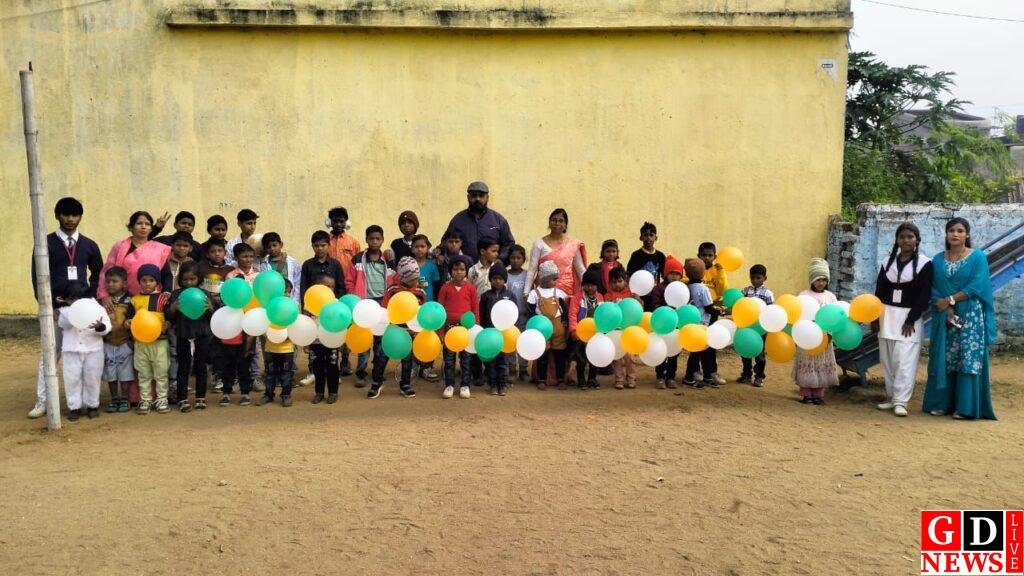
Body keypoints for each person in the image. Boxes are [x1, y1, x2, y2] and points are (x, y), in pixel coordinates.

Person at [28, 197, 104, 419]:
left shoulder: (89, 245)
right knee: (50, 355)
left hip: (83, 310)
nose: (70, 219)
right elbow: (38, 277)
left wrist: (90, 300)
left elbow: (99, 273)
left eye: (75, 215)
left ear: (80, 217)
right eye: (66, 214)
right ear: (57, 215)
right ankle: (43, 401)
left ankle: (89, 401)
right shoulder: (45, 243)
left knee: (86, 355)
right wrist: (48, 305)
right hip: (56, 309)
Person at [922, 218, 997, 420]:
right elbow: (934, 287)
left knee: (967, 358)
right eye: (951, 230)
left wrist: (951, 299)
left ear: (967, 235)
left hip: (971, 314)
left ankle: (965, 407)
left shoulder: (977, 257)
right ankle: (941, 403)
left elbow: (978, 285)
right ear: (946, 234)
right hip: (946, 316)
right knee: (945, 356)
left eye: (960, 231)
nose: (955, 234)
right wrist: (946, 308)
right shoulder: (937, 260)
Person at [873, 223, 933, 417]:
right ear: (897, 240)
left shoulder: (925, 264)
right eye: (902, 237)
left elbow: (924, 295)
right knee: (888, 358)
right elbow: (879, 292)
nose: (906, 240)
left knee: (904, 360)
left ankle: (901, 401)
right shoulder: (887, 263)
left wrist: (911, 318)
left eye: (910, 236)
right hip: (887, 315)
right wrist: (875, 317)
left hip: (909, 318)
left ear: (917, 240)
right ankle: (891, 397)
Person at [369, 258, 427, 399]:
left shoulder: (420, 293)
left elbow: (423, 314)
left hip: (409, 332)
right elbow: (384, 310)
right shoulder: (392, 290)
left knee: (407, 359)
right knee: (381, 357)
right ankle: (376, 383)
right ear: (402, 277)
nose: (415, 281)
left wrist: (417, 330)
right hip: (391, 330)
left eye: (416, 278)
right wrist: (389, 327)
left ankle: (405, 384)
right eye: (412, 278)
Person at [348, 225, 395, 386]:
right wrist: (355, 298)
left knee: (380, 339)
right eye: (371, 238)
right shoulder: (357, 259)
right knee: (363, 338)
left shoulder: (388, 260)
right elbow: (349, 280)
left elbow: (394, 281)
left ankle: (377, 372)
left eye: (378, 238)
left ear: (382, 240)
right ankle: (361, 372)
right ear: (366, 240)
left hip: (383, 303)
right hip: (364, 304)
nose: (375, 241)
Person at [58, 281, 110, 421]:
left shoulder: (97, 308)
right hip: (72, 350)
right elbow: (63, 323)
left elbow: (106, 327)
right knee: (72, 378)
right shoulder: (64, 312)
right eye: (71, 299)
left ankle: (92, 405)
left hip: (93, 350)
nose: (74, 302)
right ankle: (74, 407)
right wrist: (72, 311)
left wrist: (100, 327)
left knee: (92, 378)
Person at [166, 261, 214, 412]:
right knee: (183, 368)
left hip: (203, 336)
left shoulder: (205, 294)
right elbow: (168, 317)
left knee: (201, 367)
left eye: (192, 279)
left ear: (198, 279)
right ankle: (182, 398)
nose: (188, 282)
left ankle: (200, 397)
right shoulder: (175, 295)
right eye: (185, 279)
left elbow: (213, 317)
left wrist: (210, 308)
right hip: (183, 335)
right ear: (180, 279)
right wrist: (173, 309)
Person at [98, 211, 173, 306]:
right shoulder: (119, 247)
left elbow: (166, 274)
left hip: (150, 300)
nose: (143, 227)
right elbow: (106, 273)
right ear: (131, 227)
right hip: (121, 299)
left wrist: (166, 293)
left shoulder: (159, 249)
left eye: (147, 224)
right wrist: (104, 295)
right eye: (139, 223)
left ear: (151, 228)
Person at [792, 258, 839, 405]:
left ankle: (818, 394)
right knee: (807, 363)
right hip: (807, 338)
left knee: (821, 365)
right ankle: (807, 394)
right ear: (812, 280)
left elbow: (835, 316)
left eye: (824, 280)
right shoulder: (803, 296)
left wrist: (831, 333)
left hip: (825, 339)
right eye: (818, 279)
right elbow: (798, 315)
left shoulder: (830, 297)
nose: (821, 283)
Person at [128, 264, 172, 414]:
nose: (147, 283)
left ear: (157, 282)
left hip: (160, 342)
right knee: (143, 373)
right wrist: (128, 322)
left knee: (161, 372)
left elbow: (170, 317)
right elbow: (129, 319)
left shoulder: (163, 298)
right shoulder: (134, 300)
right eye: (144, 280)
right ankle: (145, 400)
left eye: (151, 280)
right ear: (139, 282)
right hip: (141, 343)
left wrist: (167, 323)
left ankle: (162, 399)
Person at [441, 181, 516, 264]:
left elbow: (509, 243)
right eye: (474, 195)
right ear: (468, 197)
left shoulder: (498, 220)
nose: (477, 199)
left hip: (491, 271)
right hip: (463, 271)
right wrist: (440, 251)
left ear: (487, 197)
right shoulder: (458, 220)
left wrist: (501, 259)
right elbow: (445, 241)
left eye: (481, 196)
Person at [438, 255, 479, 399]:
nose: (458, 272)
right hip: (449, 328)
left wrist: (475, 329)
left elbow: (475, 310)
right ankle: (449, 385)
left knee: (466, 359)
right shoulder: (445, 288)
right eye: (455, 269)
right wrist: (441, 331)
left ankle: (464, 385)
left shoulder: (471, 289)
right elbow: (440, 311)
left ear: (466, 271)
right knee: (449, 359)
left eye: (462, 269)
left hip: (466, 330)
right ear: (450, 271)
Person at [524, 208, 587, 299]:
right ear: (549, 223)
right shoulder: (539, 243)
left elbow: (580, 270)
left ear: (565, 225)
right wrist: (526, 293)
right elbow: (532, 270)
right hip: (544, 293)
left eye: (561, 221)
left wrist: (589, 290)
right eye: (554, 220)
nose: (557, 223)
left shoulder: (572, 245)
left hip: (566, 293)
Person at [527, 261, 569, 390]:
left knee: (559, 355)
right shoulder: (534, 294)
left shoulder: (560, 293)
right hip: (542, 329)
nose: (556, 281)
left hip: (558, 329)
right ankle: (541, 379)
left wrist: (565, 324)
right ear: (544, 279)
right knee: (542, 354)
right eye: (553, 279)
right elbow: (531, 311)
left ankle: (561, 379)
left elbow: (565, 311)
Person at [101, 266, 135, 413]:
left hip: (124, 343)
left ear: (124, 283)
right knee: (111, 373)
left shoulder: (131, 300)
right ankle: (114, 398)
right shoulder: (101, 302)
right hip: (107, 343)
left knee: (125, 373)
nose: (111, 284)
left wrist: (131, 342)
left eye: (115, 281)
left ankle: (125, 398)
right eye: (108, 281)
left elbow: (136, 322)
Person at [479, 265, 517, 396]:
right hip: (490, 334)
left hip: (505, 335)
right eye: (494, 278)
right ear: (490, 280)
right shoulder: (485, 296)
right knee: (491, 362)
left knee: (503, 361)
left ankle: (503, 385)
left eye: (500, 278)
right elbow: (482, 314)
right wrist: (484, 330)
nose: (497, 281)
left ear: (505, 280)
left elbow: (514, 314)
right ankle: (493, 385)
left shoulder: (510, 296)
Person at [260, 279, 297, 407]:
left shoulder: (292, 308)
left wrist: (289, 336)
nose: (287, 294)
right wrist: (271, 335)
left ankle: (286, 395)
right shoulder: (269, 308)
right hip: (271, 348)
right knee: (270, 373)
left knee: (286, 374)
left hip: (287, 348)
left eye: (289, 292)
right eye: (284, 291)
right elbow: (263, 326)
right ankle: (268, 394)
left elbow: (296, 327)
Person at [650, 256, 685, 389]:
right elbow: (655, 306)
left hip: (676, 328)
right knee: (661, 352)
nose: (675, 276)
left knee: (674, 353)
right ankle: (660, 377)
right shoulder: (658, 289)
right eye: (672, 273)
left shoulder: (682, 289)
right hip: (661, 326)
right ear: (665, 274)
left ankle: (671, 377)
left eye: (677, 274)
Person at [682, 258, 718, 389]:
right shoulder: (703, 288)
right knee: (703, 353)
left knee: (696, 352)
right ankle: (690, 377)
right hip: (703, 325)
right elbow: (708, 307)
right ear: (703, 273)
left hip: (691, 324)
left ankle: (702, 376)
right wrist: (716, 314)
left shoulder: (685, 287)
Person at [697, 241, 728, 386]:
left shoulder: (717, 271)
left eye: (710, 255)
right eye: (704, 255)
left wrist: (721, 273)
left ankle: (711, 372)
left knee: (711, 343)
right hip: (698, 312)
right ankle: (695, 371)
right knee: (697, 342)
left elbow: (722, 290)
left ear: (715, 256)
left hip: (712, 311)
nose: (707, 258)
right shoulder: (696, 269)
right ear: (699, 256)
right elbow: (686, 282)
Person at [411, 234, 441, 382]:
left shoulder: (431, 265)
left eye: (422, 246)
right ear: (412, 248)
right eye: (416, 246)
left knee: (428, 337)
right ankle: (414, 366)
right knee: (413, 336)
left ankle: (427, 367)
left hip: (428, 308)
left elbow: (435, 286)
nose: (419, 249)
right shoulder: (409, 264)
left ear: (427, 248)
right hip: (412, 308)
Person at [738, 264, 775, 388]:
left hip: (761, 328)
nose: (755, 280)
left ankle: (759, 376)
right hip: (747, 326)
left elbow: (771, 310)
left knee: (760, 353)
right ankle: (746, 374)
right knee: (745, 351)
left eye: (758, 278)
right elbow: (739, 304)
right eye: (752, 277)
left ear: (765, 278)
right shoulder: (745, 291)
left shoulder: (768, 293)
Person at [309, 275, 342, 405]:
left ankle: (333, 392)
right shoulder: (310, 303)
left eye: (332, 287)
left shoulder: (336, 303)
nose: (330, 289)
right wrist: (308, 342)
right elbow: (308, 323)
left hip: (332, 341)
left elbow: (341, 323)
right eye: (326, 286)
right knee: (317, 367)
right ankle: (319, 393)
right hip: (316, 341)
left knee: (332, 366)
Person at [568, 269, 604, 390]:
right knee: (581, 358)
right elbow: (572, 314)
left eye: (592, 285)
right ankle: (581, 379)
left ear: (597, 286)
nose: (589, 288)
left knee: (594, 356)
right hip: (581, 334)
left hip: (596, 334)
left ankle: (592, 379)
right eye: (587, 285)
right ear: (583, 285)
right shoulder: (577, 298)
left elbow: (603, 315)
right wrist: (573, 330)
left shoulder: (600, 298)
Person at [604, 266, 637, 390]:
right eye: (613, 282)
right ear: (609, 283)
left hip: (628, 331)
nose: (617, 284)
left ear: (625, 281)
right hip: (615, 330)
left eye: (619, 281)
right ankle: (619, 379)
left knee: (629, 357)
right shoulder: (607, 296)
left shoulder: (631, 295)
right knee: (617, 357)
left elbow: (638, 310)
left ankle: (631, 378)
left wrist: (637, 300)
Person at [626, 222, 665, 311]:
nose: (648, 238)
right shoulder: (636, 255)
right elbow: (629, 276)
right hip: (640, 297)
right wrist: (634, 294)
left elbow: (664, 276)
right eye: (645, 235)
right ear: (641, 238)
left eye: (651, 235)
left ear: (656, 238)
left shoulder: (660, 256)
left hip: (655, 296)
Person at [506, 244, 530, 381]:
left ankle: (523, 369)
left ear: (524, 259)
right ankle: (511, 369)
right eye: (512, 258)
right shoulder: (505, 275)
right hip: (509, 317)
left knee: (523, 341)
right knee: (510, 341)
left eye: (518, 258)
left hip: (524, 314)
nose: (515, 260)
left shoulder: (527, 275)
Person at [300, 230, 346, 301]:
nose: (320, 248)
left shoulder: (336, 264)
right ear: (312, 246)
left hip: (332, 303)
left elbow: (341, 287)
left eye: (323, 245)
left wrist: (337, 302)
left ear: (329, 245)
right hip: (313, 302)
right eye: (316, 246)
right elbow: (303, 287)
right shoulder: (307, 265)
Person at [260, 232, 303, 306]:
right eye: (268, 247)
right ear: (265, 249)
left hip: (290, 300)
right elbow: (267, 283)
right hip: (272, 301)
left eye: (274, 245)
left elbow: (297, 283)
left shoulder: (292, 262)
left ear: (281, 244)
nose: (272, 249)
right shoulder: (263, 264)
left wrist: (295, 302)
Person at [327, 206, 361, 272]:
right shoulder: (324, 241)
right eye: (335, 221)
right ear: (329, 222)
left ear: (346, 223)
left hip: (348, 280)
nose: (338, 224)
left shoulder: (354, 242)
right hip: (329, 280)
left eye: (341, 221)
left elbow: (358, 264)